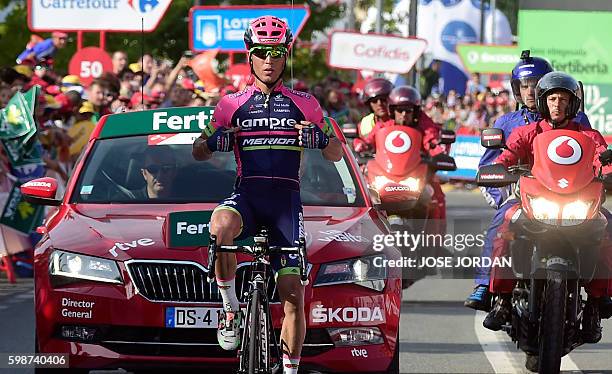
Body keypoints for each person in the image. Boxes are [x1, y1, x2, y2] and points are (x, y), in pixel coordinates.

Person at [191, 15, 342, 374]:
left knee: (292, 296)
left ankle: (290, 370)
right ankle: (230, 311)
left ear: (285, 53)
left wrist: (320, 140)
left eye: (276, 51)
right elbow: (198, 150)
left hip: (286, 205)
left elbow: (337, 151)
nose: (269, 60)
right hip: (248, 195)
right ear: (251, 54)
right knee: (220, 225)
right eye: (262, 51)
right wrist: (214, 142)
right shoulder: (231, 104)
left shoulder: (305, 102)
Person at [483, 71, 612, 343]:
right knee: (507, 220)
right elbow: (506, 157)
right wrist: (498, 169)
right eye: (552, 98)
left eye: (563, 99)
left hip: (577, 202)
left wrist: (609, 170)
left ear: (573, 104)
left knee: (607, 225)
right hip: (535, 202)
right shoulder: (527, 132)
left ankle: (597, 303)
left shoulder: (589, 135)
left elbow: (603, 159)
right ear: (543, 102)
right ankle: (502, 298)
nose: (557, 105)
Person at [464, 52, 590, 311]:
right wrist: (501, 195)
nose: (531, 91)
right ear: (517, 90)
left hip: (569, 195)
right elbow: (491, 164)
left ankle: (599, 293)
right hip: (524, 195)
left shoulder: (577, 120)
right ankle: (485, 286)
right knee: (502, 220)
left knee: (602, 225)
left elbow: (594, 153)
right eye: (525, 85)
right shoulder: (507, 122)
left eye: (537, 84)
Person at [356, 86, 448, 230]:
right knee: (363, 195)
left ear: (415, 111)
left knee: (436, 197)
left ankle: (433, 243)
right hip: (388, 175)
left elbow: (432, 140)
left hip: (416, 173)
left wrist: (437, 152)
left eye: (408, 110)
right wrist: (360, 145)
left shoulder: (424, 123)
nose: (404, 114)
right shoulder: (384, 125)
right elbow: (369, 140)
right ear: (392, 110)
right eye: (399, 110)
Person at [355, 77, 394, 142]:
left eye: (383, 99)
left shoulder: (401, 120)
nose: (379, 103)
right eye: (374, 101)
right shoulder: (364, 124)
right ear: (369, 104)